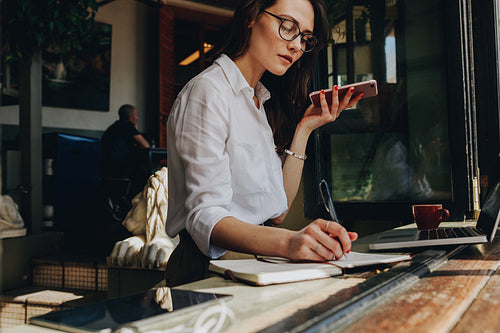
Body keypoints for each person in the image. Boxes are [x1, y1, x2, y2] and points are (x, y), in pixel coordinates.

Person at [165, 0, 363, 287]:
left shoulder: (258, 100)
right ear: (251, 17)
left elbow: (278, 211)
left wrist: (305, 129)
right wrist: (291, 242)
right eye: (288, 27)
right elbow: (205, 216)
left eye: (304, 37)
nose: (296, 45)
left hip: (254, 263)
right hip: (208, 271)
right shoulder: (209, 91)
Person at [101, 104, 151, 197]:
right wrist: (135, 128)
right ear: (130, 117)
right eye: (136, 115)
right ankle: (135, 203)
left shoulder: (114, 126)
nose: (137, 117)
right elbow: (146, 145)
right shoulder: (127, 125)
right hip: (119, 169)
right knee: (147, 173)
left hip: (106, 168)